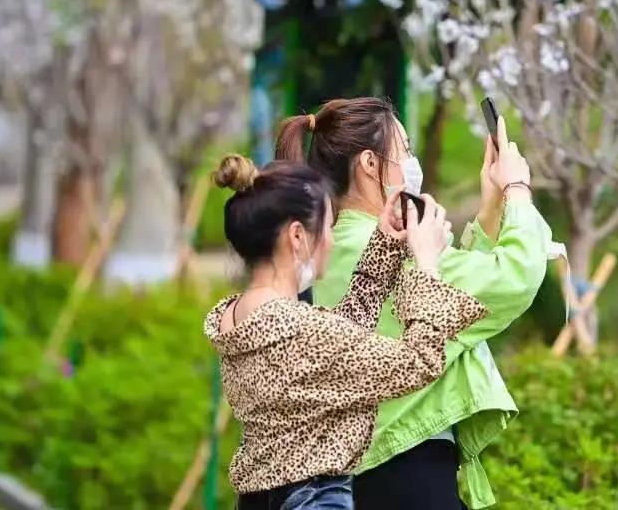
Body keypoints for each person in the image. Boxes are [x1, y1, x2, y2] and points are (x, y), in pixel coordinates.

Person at [274, 98, 551, 510]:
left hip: (369, 473)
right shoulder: (384, 245)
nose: (413, 162)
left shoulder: (339, 245)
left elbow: (458, 283)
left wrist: (492, 205)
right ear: (371, 163)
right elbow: (511, 279)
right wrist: (517, 188)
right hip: (407, 470)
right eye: (406, 149)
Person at [204, 154, 487, 510]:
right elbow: (417, 362)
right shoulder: (299, 329)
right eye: (327, 227)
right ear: (296, 236)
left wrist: (385, 243)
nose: (332, 241)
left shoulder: (243, 316)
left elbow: (336, 341)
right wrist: (427, 264)